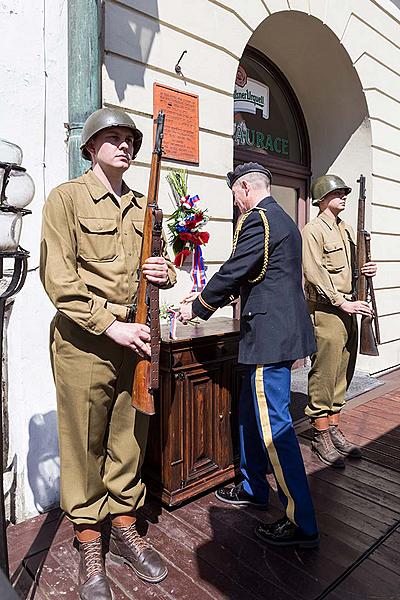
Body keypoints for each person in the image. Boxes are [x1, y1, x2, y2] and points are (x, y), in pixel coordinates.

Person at [40, 108, 176, 599]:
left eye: (130, 140)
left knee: (129, 438)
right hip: (85, 343)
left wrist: (166, 271)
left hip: (134, 340)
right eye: (113, 138)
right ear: (90, 147)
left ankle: (123, 525)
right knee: (83, 443)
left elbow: (163, 267)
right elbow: (59, 280)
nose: (124, 146)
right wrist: (111, 325)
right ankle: (89, 539)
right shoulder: (67, 199)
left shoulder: (145, 208)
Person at [178, 162, 319, 548]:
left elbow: (239, 269)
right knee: (250, 413)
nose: (236, 203)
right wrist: (209, 300)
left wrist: (198, 306)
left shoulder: (257, 219)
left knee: (276, 429)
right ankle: (253, 486)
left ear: (243, 190)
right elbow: (262, 277)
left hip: (269, 338)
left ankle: (301, 521)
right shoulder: (284, 219)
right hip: (277, 332)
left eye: (235, 195)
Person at [302, 175, 377, 468]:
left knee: (343, 370)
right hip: (327, 309)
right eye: (338, 193)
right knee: (325, 371)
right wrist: (341, 302)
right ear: (322, 197)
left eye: (346, 193)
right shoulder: (313, 230)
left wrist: (367, 267)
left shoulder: (346, 230)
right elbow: (314, 272)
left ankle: (333, 428)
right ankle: (320, 435)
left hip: (349, 307)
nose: (344, 197)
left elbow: (355, 268)